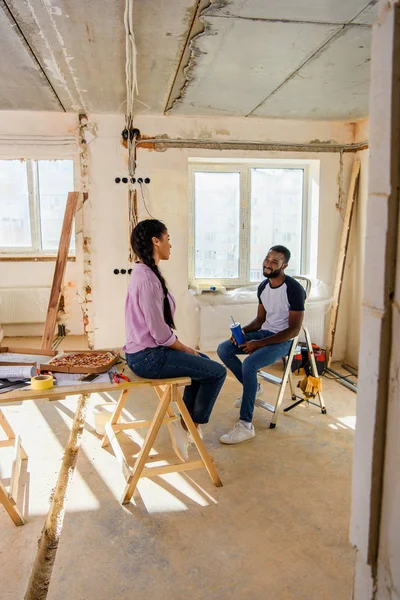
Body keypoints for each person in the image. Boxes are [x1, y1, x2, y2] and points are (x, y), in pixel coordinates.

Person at [124, 219, 227, 461]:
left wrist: (186, 350)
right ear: (155, 241)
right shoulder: (148, 279)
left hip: (146, 352)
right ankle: (190, 427)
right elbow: (159, 332)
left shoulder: (145, 273)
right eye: (167, 238)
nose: (170, 244)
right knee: (217, 372)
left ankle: (185, 424)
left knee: (201, 363)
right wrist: (183, 347)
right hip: (148, 358)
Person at [217, 245, 306, 445]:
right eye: (267, 259)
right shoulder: (264, 287)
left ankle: (246, 425)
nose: (268, 263)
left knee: (250, 364)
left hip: (283, 340)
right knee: (224, 349)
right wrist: (242, 332)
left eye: (275, 261)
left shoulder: (293, 290)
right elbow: (259, 320)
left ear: (285, 265)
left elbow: (293, 330)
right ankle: (254, 387)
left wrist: (259, 344)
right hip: (265, 333)